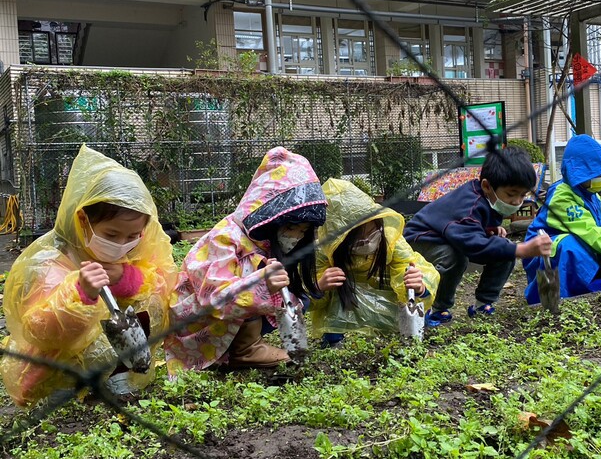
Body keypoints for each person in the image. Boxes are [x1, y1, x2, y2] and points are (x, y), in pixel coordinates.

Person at [0, 145, 177, 407]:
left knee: (144, 301)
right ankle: (70, 386)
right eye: (111, 235)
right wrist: (79, 293)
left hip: (115, 355)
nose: (122, 244)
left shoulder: (139, 248)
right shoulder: (49, 261)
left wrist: (126, 278)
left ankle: (120, 376)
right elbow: (39, 330)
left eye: (132, 236)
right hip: (57, 366)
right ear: (82, 220)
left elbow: (164, 283)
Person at [165, 147, 327, 374]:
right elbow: (214, 296)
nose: (296, 236)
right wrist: (261, 285)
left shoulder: (265, 242)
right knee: (254, 274)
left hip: (226, 318)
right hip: (197, 321)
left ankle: (238, 347)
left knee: (296, 298)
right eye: (291, 227)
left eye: (302, 231)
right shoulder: (226, 238)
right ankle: (243, 350)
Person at [404, 147, 552, 326]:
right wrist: (521, 249)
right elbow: (471, 243)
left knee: (502, 250)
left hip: (450, 236)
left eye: (523, 195)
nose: (517, 202)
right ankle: (437, 307)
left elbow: (467, 228)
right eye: (512, 194)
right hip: (421, 239)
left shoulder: (488, 199)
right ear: (487, 186)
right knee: (455, 257)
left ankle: (484, 304)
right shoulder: (469, 203)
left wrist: (489, 229)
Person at [523, 134, 601, 304]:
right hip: (543, 252)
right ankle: (559, 298)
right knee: (570, 246)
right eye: (594, 173)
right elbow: (589, 231)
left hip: (583, 239)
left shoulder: (590, 194)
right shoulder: (562, 196)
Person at [310, 178, 439, 346]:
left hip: (387, 297)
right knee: (336, 283)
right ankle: (335, 337)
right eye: (358, 239)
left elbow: (412, 266)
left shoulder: (390, 239)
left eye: (372, 233)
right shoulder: (324, 252)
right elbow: (306, 299)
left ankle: (412, 324)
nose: (367, 241)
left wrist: (420, 288)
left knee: (412, 288)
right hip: (349, 303)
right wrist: (319, 287)